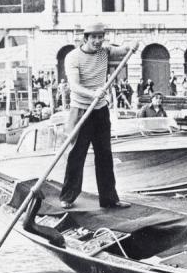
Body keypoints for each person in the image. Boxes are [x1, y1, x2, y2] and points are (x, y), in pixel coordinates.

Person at [59, 22, 137, 210]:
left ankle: (110, 199)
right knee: (77, 154)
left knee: (105, 155)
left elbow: (125, 50)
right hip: (80, 110)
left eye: (100, 37)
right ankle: (67, 197)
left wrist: (133, 46)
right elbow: (75, 86)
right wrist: (92, 93)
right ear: (85, 39)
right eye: (93, 37)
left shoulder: (105, 51)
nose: (97, 41)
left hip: (100, 110)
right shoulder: (73, 57)